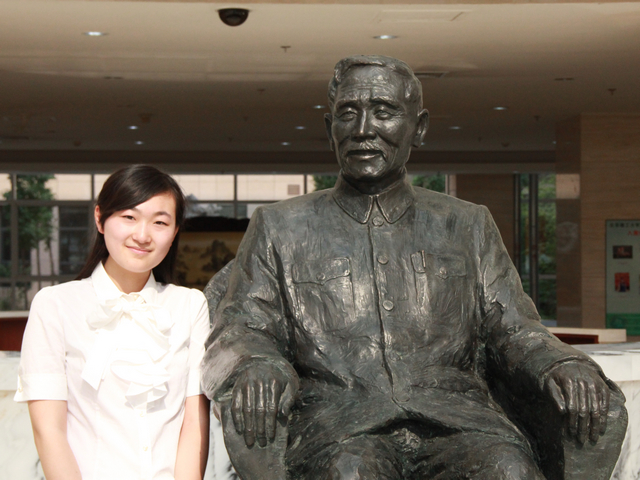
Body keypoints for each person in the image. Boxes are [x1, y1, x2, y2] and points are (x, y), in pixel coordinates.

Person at [202, 56, 624, 479]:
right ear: (330, 127)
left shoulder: (467, 223)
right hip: (337, 429)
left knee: (508, 470)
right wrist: (257, 365)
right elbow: (241, 329)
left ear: (418, 127)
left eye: (383, 112)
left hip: (460, 423)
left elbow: (513, 328)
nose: (363, 129)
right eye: (348, 113)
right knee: (351, 471)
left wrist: (558, 364)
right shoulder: (280, 226)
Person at [15, 165, 210, 480]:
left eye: (160, 222)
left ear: (175, 232)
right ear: (100, 218)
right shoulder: (55, 305)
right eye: (129, 217)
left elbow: (194, 425)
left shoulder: (190, 305)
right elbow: (48, 431)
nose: (142, 235)